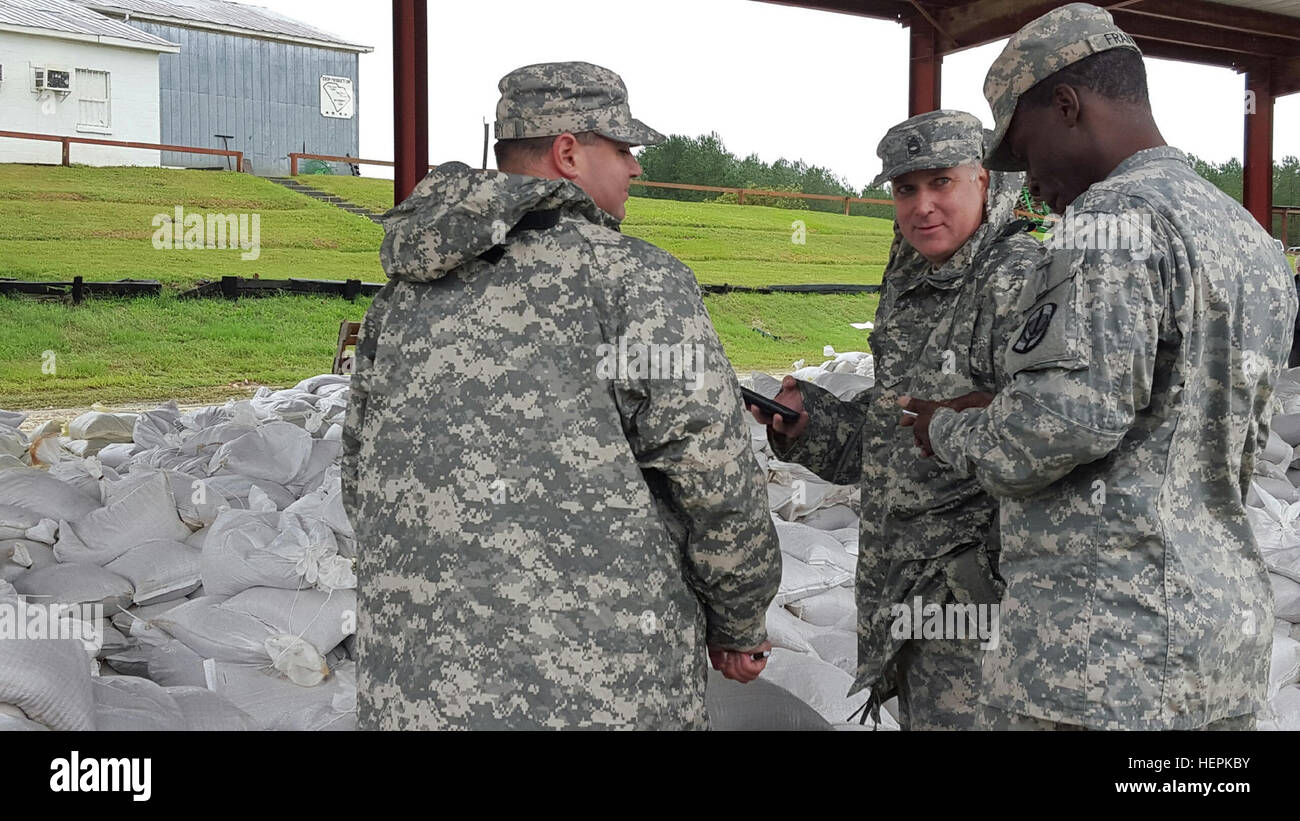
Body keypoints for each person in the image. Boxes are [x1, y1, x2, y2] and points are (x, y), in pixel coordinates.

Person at [341, 61, 782, 730]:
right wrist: (740, 616)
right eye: (624, 148)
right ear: (569, 152)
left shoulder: (400, 301)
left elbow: (361, 477)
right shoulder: (637, 281)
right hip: (599, 691)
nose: (635, 168)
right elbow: (715, 476)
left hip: (419, 689)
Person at [901, 3, 1298, 730]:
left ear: (1066, 105)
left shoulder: (1106, 226)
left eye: (1025, 150)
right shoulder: (1249, 238)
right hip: (1219, 647)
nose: (1031, 183)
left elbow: (1056, 427)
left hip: (1103, 659)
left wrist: (950, 429)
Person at [748, 110, 1043, 729]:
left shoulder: (1020, 281)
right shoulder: (915, 279)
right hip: (904, 588)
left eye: (941, 183)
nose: (922, 206)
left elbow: (1047, 435)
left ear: (986, 181)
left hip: (980, 597)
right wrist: (810, 425)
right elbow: (894, 433)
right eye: (906, 189)